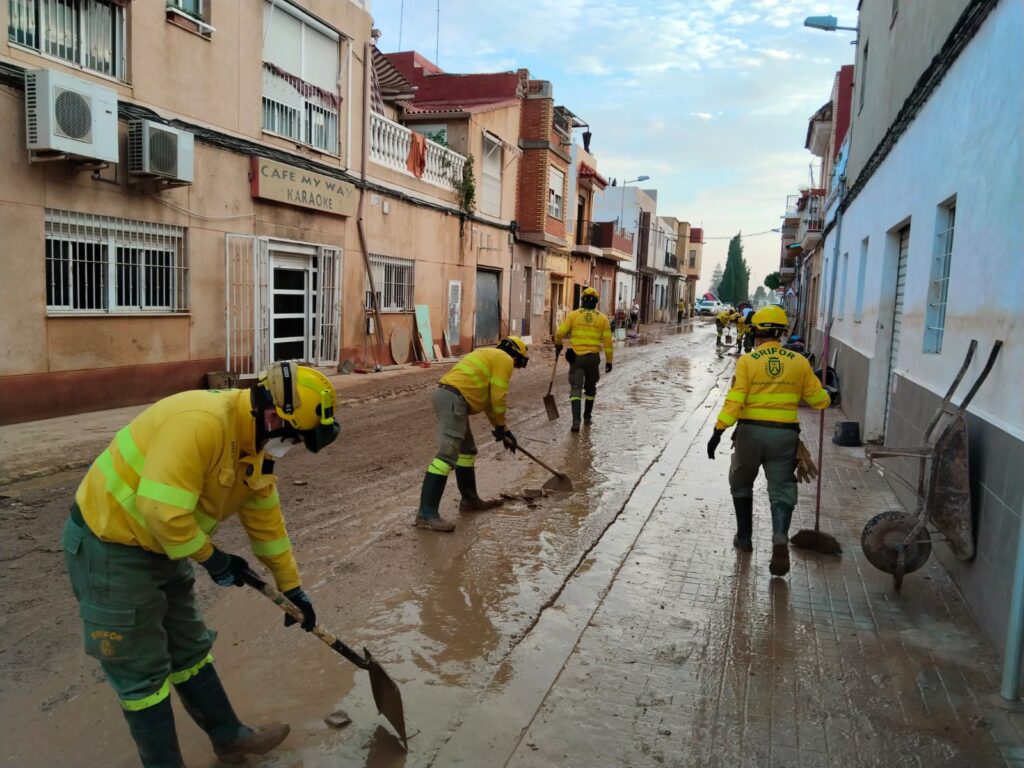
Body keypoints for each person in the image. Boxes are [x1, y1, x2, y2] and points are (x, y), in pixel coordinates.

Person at [61, 362, 339, 767]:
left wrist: (291, 586)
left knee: (189, 646)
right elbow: (160, 510)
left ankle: (230, 738)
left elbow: (267, 524)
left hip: (166, 545)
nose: (290, 446)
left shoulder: (254, 444)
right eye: (294, 437)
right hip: (111, 546)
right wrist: (214, 559)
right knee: (142, 669)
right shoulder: (200, 423)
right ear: (273, 416)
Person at [706, 306, 831, 576]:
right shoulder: (799, 362)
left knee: (741, 481)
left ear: (757, 333)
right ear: (782, 332)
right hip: (784, 436)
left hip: (750, 434)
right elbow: (819, 401)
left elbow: (735, 400)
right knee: (782, 488)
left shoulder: (748, 361)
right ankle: (779, 537)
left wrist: (718, 429)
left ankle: (744, 538)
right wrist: (827, 394)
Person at [415, 336, 529, 532]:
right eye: (518, 364)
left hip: (452, 398)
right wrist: (500, 428)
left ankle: (469, 499)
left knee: (466, 451)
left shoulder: (490, 355)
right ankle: (426, 513)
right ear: (516, 356)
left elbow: (490, 404)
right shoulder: (504, 359)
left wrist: (503, 429)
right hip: (454, 400)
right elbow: (498, 397)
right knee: (446, 455)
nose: (515, 368)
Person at [554, 286, 614, 433]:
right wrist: (609, 361)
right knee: (590, 389)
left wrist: (558, 344)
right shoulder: (603, 318)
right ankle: (587, 417)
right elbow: (608, 342)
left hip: (577, 358)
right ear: (596, 302)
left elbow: (559, 333)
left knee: (576, 389)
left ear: (582, 300)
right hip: (593, 358)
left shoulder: (574, 315)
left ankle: (576, 422)